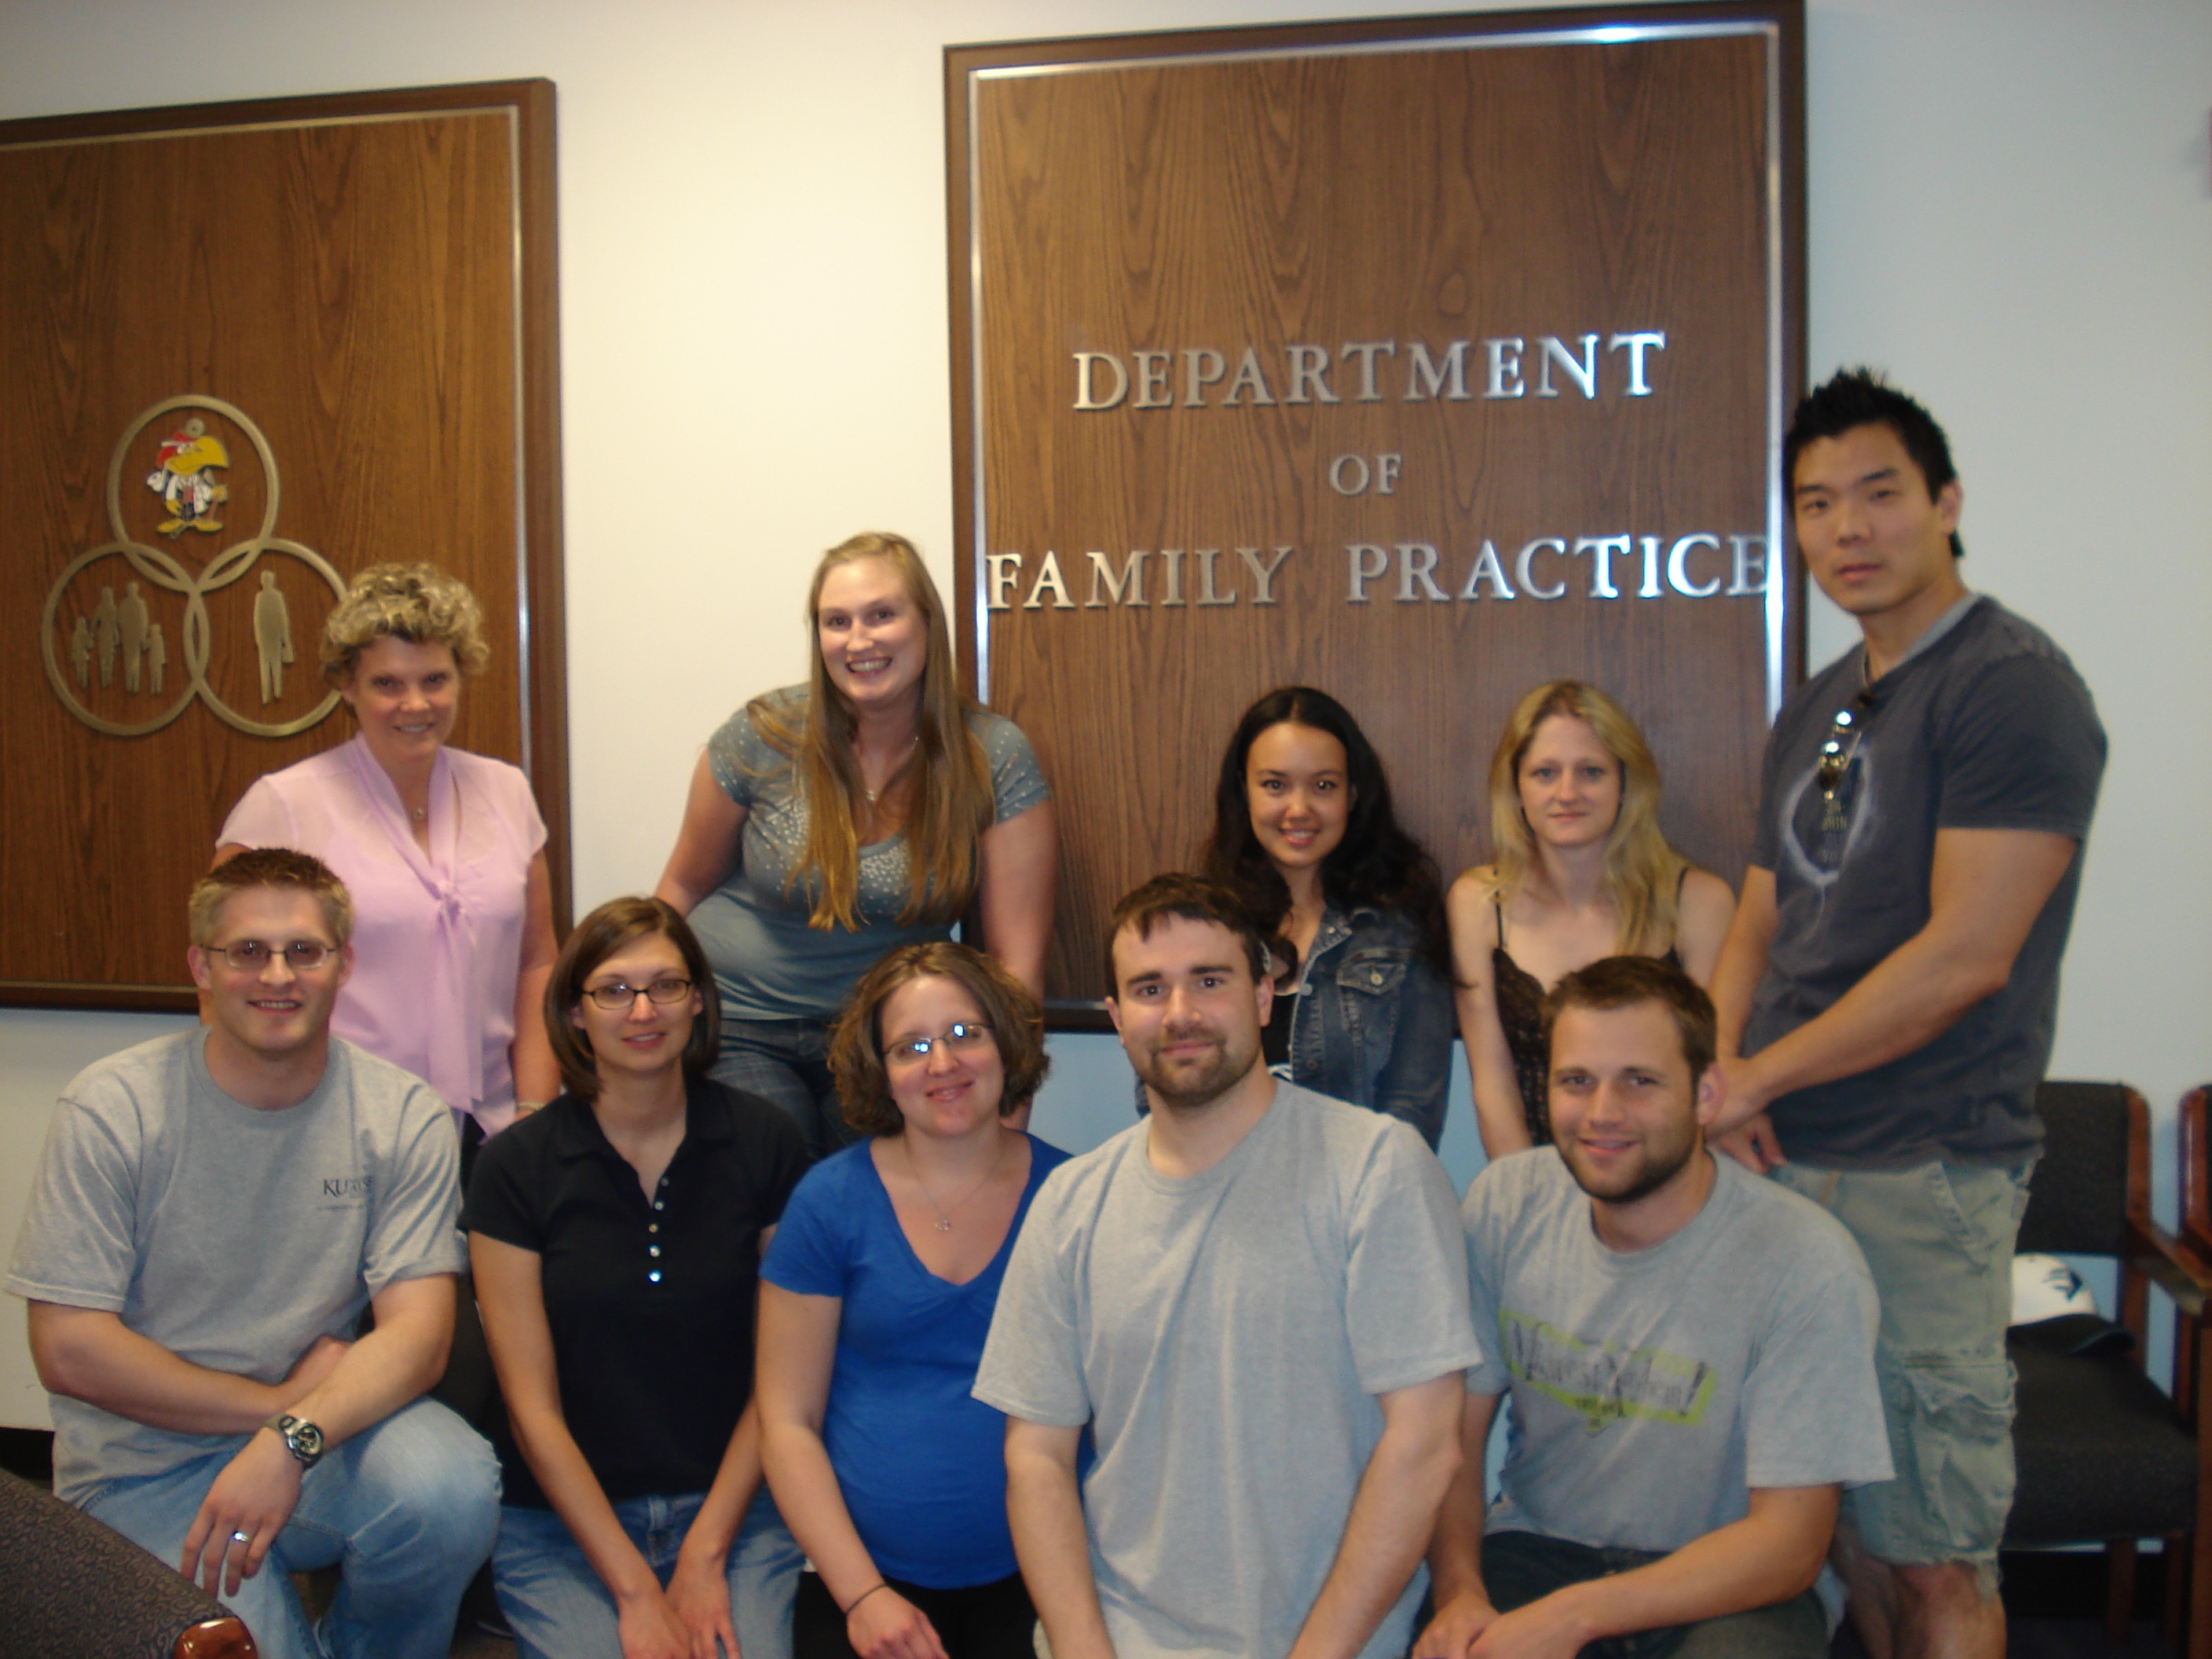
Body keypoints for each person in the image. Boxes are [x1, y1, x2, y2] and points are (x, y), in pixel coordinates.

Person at [1706, 368, 2106, 1659]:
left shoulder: (2010, 685)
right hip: (1785, 1160)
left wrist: (1755, 1082)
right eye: (1817, 504)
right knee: (1839, 1530)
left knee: (1933, 1554)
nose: (1847, 529)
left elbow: (1965, 957)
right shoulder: (1825, 700)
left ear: (1945, 502)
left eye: (1879, 494)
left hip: (1921, 1168)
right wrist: (1724, 1066)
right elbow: (1763, 916)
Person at [5, 848, 499, 1659]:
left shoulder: (400, 1112)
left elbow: (420, 1338)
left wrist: (289, 1437)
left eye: (305, 950)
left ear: (345, 964)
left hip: (317, 1442)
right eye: (247, 951)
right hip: (142, 1468)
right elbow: (68, 1351)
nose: (279, 974)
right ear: (201, 967)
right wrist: (270, 1412)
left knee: (450, 1489)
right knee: (231, 1646)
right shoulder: (112, 1108)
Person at [975, 873, 1478, 1659]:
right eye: (1147, 988)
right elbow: (1035, 1457)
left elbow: (1424, 1445)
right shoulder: (1069, 1204)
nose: (1179, 1014)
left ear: (1263, 994)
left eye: (1208, 980)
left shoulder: (1375, 1169)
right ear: (1114, 1018)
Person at [1418, 956, 1890, 1659]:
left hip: (1728, 1579)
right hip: (1539, 1547)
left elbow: (1791, 1544)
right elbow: (1449, 1441)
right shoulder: (1505, 1204)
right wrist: (1459, 1593)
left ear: (1705, 1096)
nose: (1603, 1113)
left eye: (1639, 1081)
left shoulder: (1806, 1261)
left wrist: (1577, 1617)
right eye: (1576, 1081)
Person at [463, 896, 812, 1659]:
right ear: (575, 1012)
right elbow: (531, 1412)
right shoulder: (515, 1167)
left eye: (666, 985)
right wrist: (632, 1589)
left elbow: (782, 1383)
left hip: (737, 1513)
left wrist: (704, 1555)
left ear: (698, 1000)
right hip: (561, 1525)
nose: (642, 1009)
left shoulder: (765, 1143)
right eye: (614, 989)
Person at [656, 531, 1057, 1159]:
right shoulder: (763, 735)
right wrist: (642, 1016)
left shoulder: (992, 756)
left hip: (886, 1035)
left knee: (892, 1186)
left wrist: (1011, 1094)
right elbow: (682, 887)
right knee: (780, 1166)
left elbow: (1015, 960)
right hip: (739, 1022)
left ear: (927, 623)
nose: (859, 640)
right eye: (836, 622)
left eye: (881, 615)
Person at [757, 941, 1070, 1659]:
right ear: (880, 1070)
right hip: (861, 1578)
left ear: (1005, 1042)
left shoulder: (1074, 1199)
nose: (942, 1064)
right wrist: (862, 1596)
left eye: (965, 1034)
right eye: (911, 1046)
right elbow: (787, 1421)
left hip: (1043, 1569)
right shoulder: (828, 1203)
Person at [218, 562, 558, 1145]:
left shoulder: (506, 792)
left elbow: (537, 964)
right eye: (387, 684)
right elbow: (225, 980)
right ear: (347, 686)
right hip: (336, 1131)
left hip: (495, 1131)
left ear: (461, 676)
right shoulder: (284, 807)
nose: (415, 704)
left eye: (434, 679)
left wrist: (534, 1113)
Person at [1448, 681, 1735, 1156]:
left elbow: (1711, 1074)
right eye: (1544, 773)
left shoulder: (1698, 902)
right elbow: (1492, 1085)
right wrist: (1532, 1203)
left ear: (1625, 783)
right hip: (1536, 1179)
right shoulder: (1477, 903)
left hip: (1664, 1183)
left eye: (1591, 772)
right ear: (1515, 788)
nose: (1567, 793)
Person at [1197, 686, 1456, 1146]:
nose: (1299, 810)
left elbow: (1414, 1114)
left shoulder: (1402, 927)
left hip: (1363, 1208)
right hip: (1225, 1202)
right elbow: (1170, 1093)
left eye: (1323, 786)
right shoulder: (1201, 925)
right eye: (1275, 785)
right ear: (1244, 790)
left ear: (1353, 794)